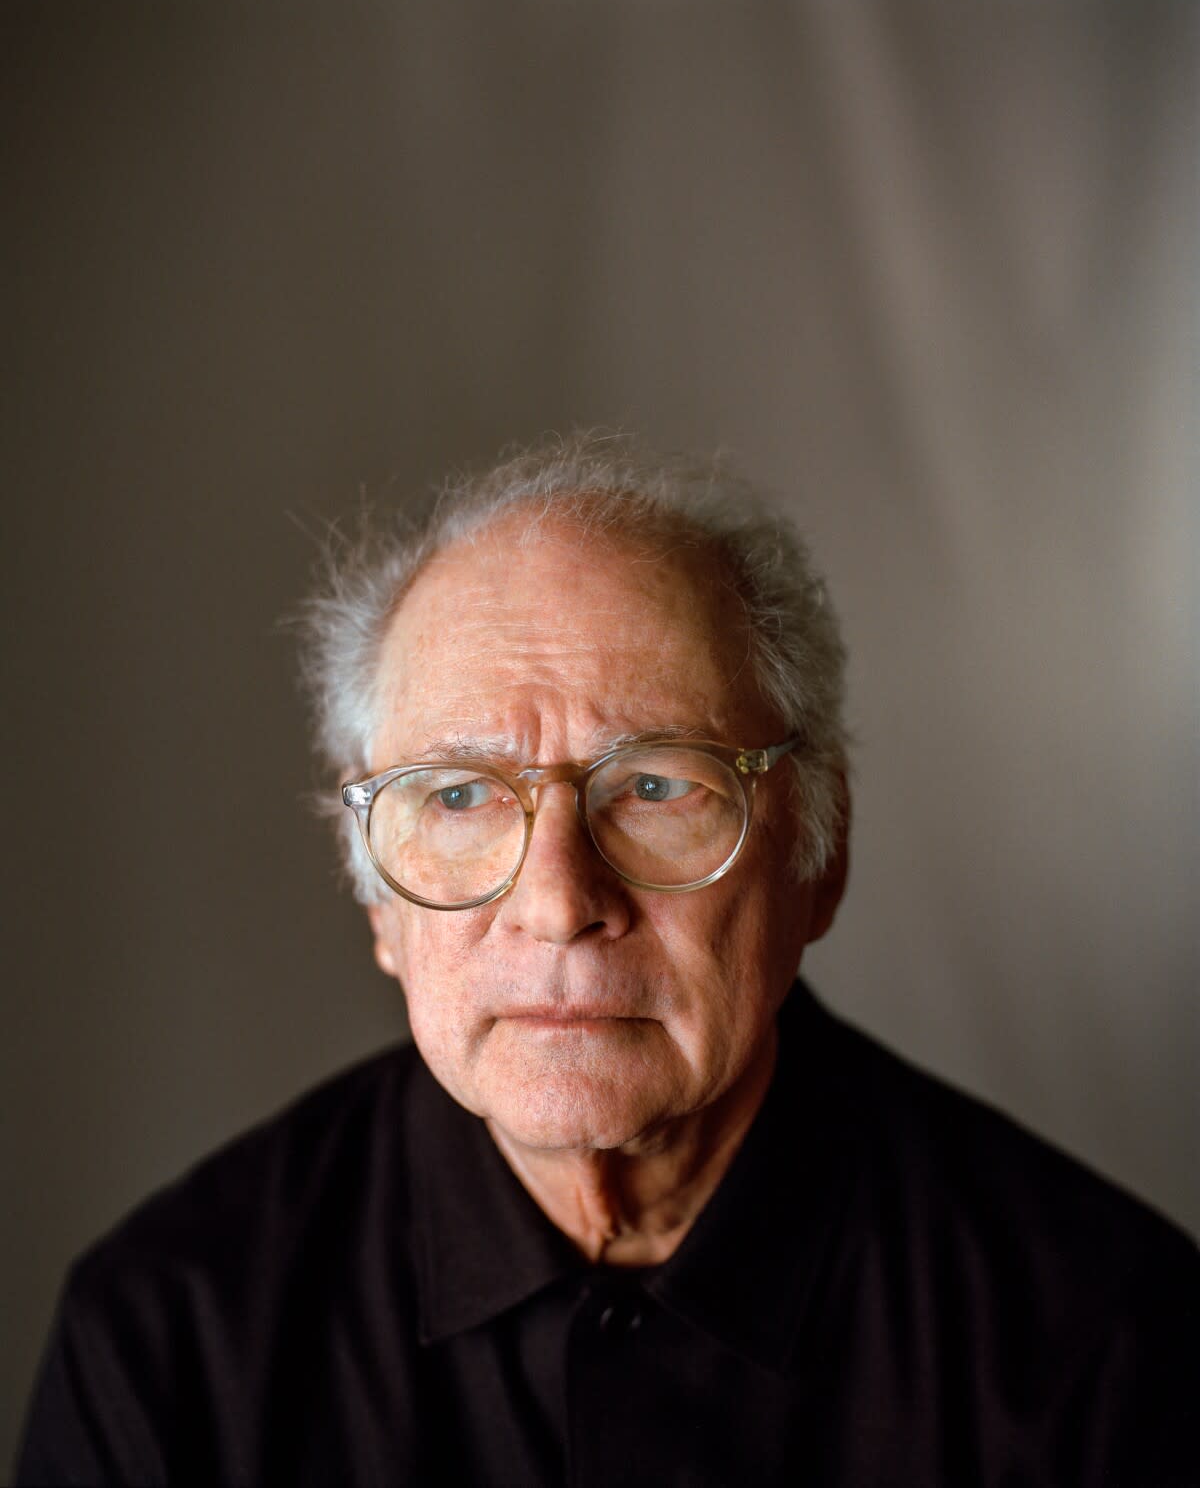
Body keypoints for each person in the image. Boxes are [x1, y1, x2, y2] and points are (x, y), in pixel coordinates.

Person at [16, 434, 1198, 1486]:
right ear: (377, 896)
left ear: (817, 856)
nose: (558, 903)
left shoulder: (1110, 1346)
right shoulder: (168, 1342)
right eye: (463, 794)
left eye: (654, 786)